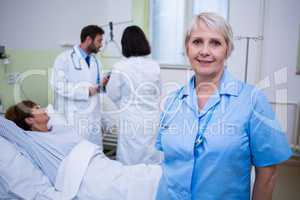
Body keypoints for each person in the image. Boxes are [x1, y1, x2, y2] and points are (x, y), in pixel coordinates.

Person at [155, 12, 292, 200]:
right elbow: (170, 163)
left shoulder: (252, 101)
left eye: (215, 43)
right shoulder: (172, 101)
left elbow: (267, 174)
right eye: (197, 42)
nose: (204, 51)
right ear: (187, 48)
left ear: (227, 50)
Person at [2, 101, 162, 199]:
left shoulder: (57, 129)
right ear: (29, 119)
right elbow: (6, 127)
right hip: (83, 178)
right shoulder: (31, 141)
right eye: (38, 108)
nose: (44, 109)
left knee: (140, 175)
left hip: (98, 164)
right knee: (138, 185)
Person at [106, 25, 161, 165]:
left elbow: (112, 93)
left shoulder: (120, 66)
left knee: (129, 159)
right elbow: (158, 92)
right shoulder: (154, 66)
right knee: (150, 158)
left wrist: (124, 103)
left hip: (130, 118)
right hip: (151, 118)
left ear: (125, 45)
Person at [51, 25, 107, 148]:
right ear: (88, 40)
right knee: (77, 155)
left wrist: (103, 84)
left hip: (93, 116)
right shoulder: (64, 58)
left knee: (94, 154)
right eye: (99, 41)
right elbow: (58, 85)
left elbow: (97, 86)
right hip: (74, 116)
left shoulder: (96, 61)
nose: (101, 44)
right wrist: (86, 92)